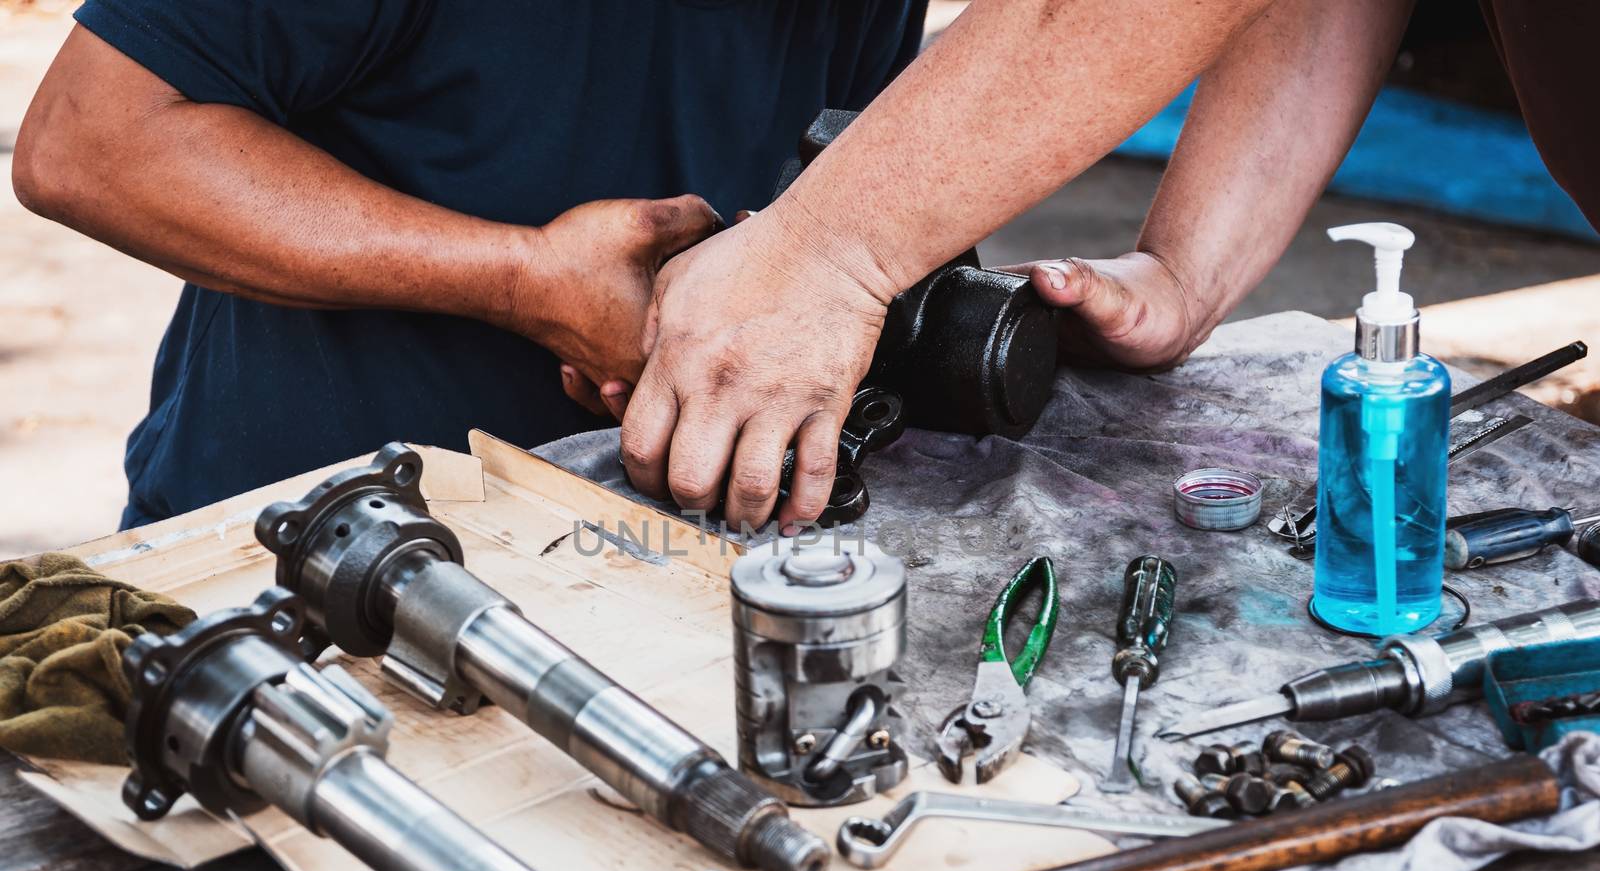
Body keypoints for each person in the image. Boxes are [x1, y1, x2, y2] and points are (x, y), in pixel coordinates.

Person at [16, 0, 1289, 532]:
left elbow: (834, 173)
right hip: (307, 534)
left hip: (663, 544)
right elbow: (94, 145)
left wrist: (808, 304)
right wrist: (521, 278)